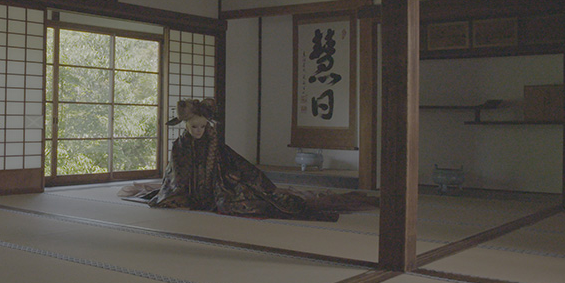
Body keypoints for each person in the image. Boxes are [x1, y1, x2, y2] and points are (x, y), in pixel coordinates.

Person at [121, 98, 375, 221]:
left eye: (202, 127)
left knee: (247, 198)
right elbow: (176, 172)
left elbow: (235, 161)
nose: (199, 131)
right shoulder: (180, 144)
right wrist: (181, 194)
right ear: (186, 126)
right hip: (186, 187)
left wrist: (247, 177)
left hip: (217, 184)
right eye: (194, 127)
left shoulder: (213, 141)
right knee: (172, 201)